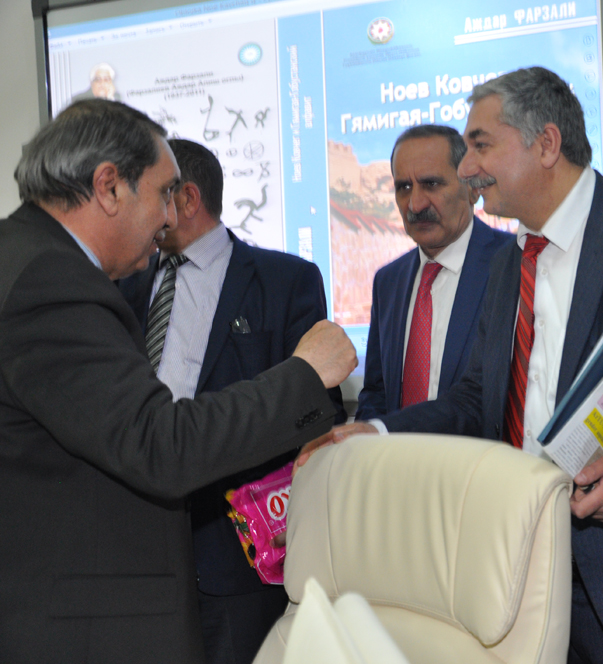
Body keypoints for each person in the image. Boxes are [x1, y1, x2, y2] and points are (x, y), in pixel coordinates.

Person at [318, 67, 603, 664]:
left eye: (480, 146)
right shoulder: (506, 264)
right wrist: (380, 431)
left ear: (546, 144)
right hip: (544, 587)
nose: (468, 168)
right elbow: (478, 398)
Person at [0, 99, 356, 664]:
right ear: (109, 187)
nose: (170, 217)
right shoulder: (52, 281)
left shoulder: (27, 255)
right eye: (164, 192)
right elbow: (158, 444)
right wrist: (304, 375)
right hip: (81, 616)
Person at [118, 138, 347, 664]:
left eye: (151, 194)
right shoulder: (124, 284)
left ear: (188, 198)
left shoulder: (286, 281)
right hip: (136, 550)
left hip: (235, 554)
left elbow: (316, 409)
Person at [355, 125, 513, 419]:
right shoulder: (388, 281)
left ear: (472, 188)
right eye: (404, 187)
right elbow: (377, 393)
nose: (415, 204)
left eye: (431, 184)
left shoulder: (512, 264)